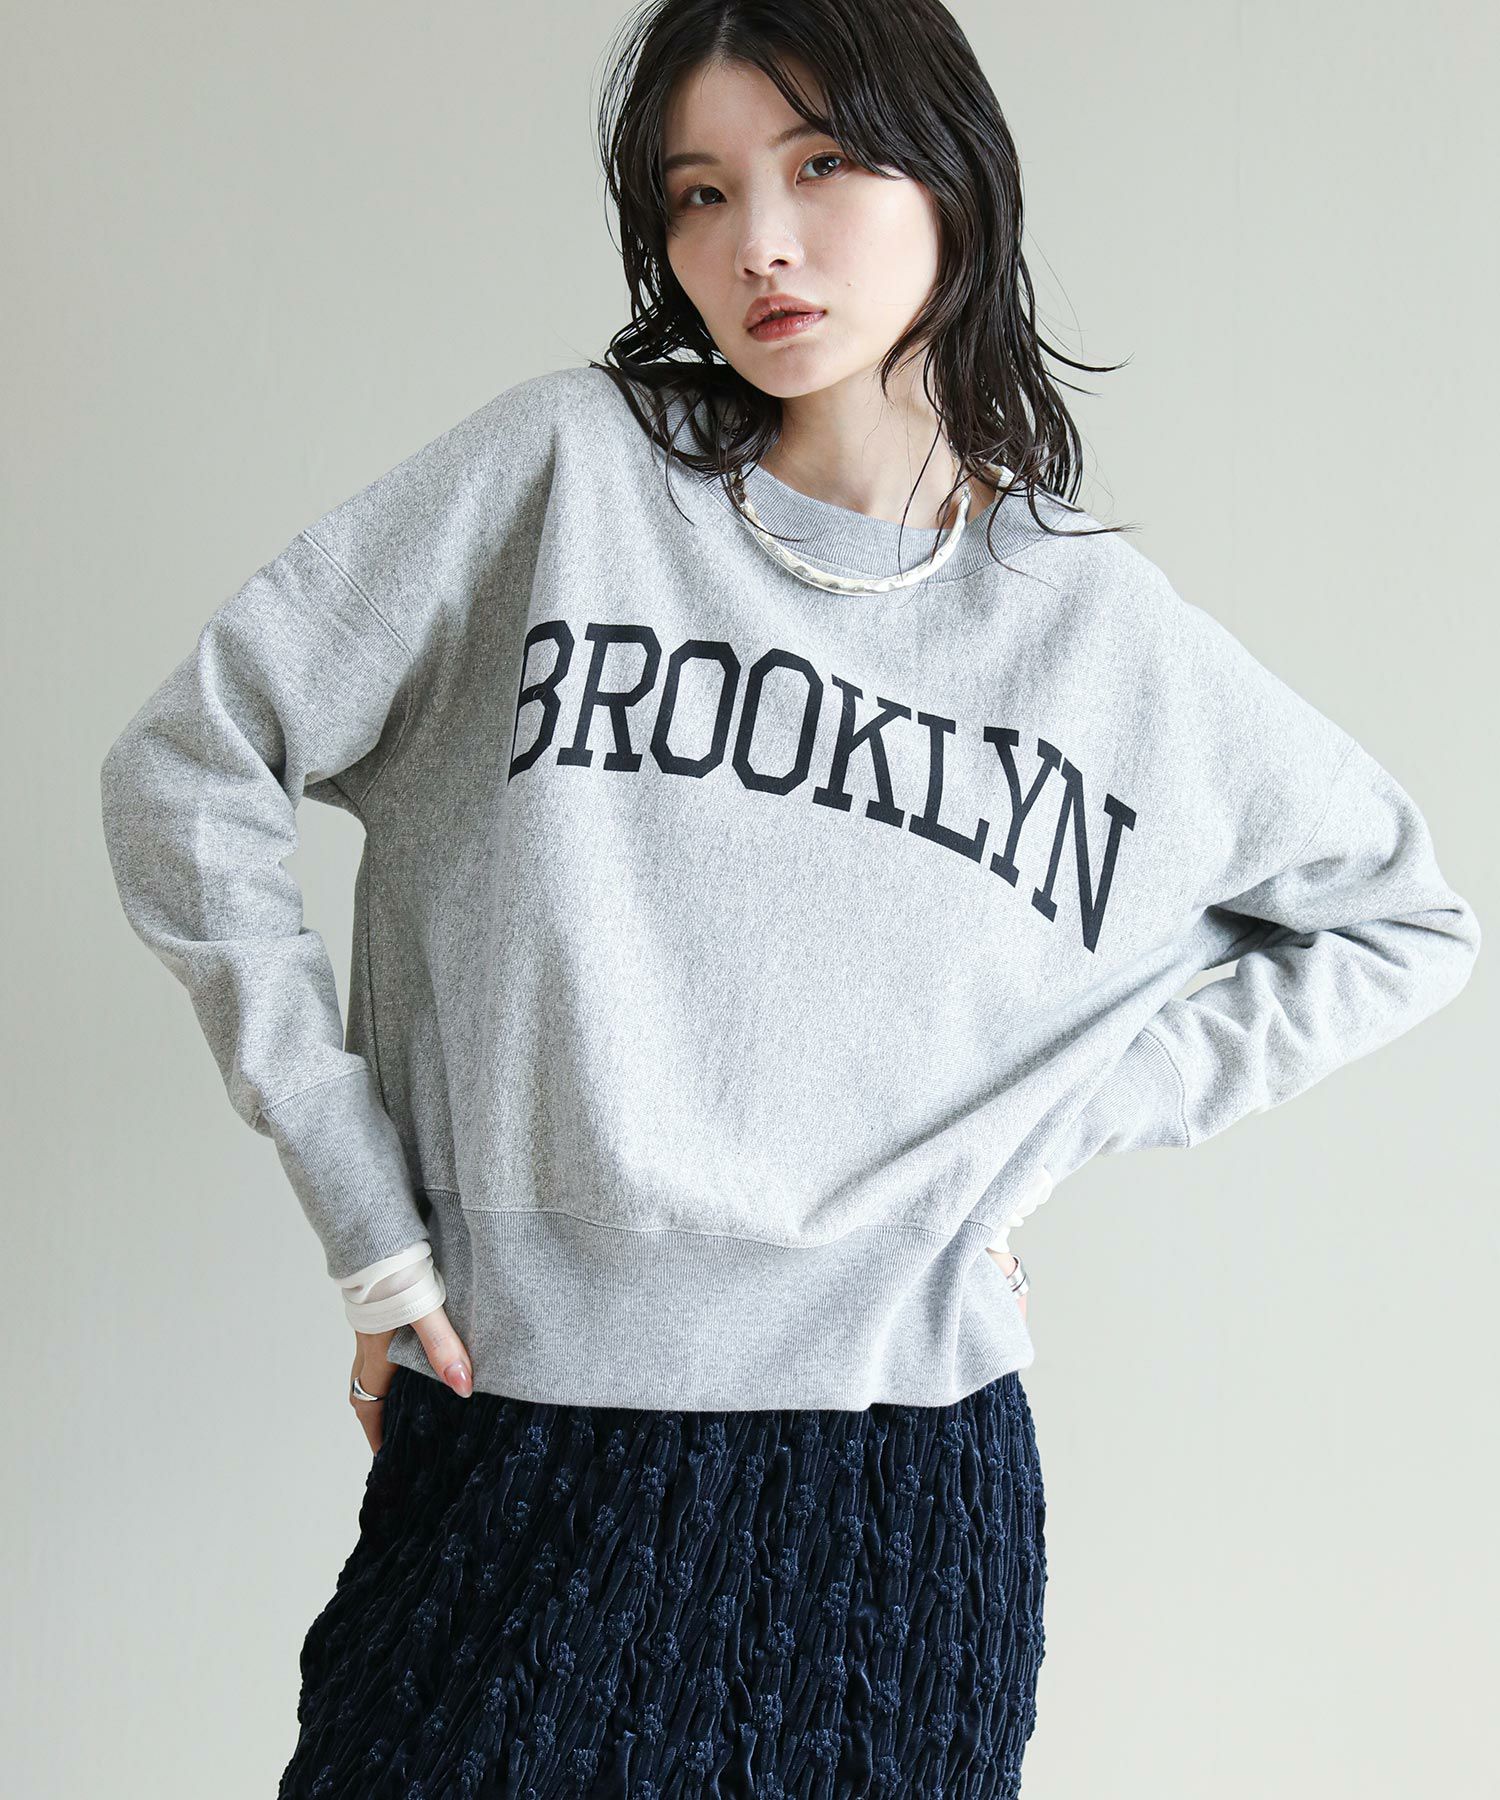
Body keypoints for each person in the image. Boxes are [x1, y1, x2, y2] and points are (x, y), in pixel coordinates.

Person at [97, 2, 1481, 1795]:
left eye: (822, 163)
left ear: (953, 174)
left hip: (897, 1501)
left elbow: (1401, 920)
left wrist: (1041, 1135)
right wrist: (363, 1213)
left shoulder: (1100, 638)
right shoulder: (567, 479)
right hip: (518, 1444)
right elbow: (188, 766)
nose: (757, 240)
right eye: (700, 192)